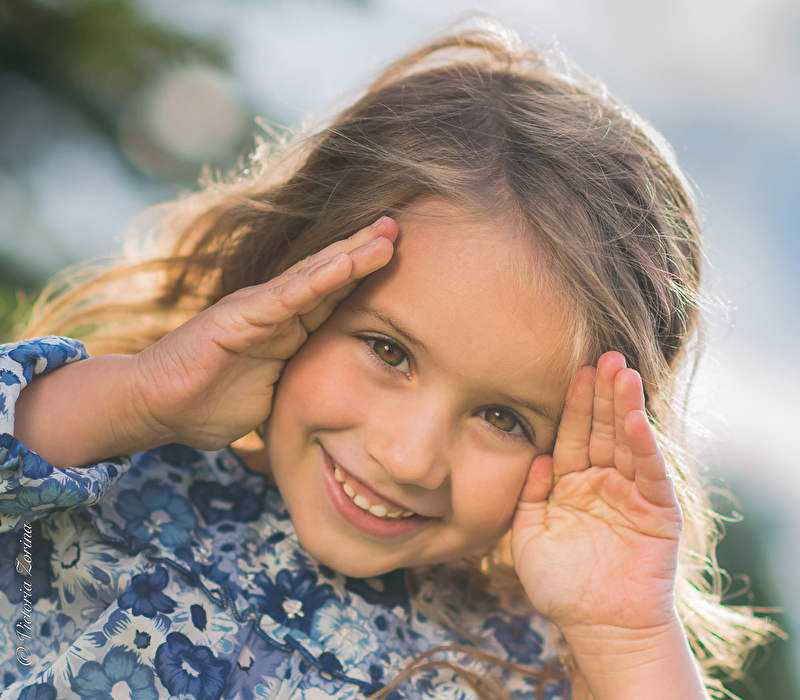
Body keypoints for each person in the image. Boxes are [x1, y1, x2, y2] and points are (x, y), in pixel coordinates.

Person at [0, 22, 779, 700]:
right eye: (389, 351)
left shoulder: (517, 670)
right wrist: (137, 398)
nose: (409, 457)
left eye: (502, 417)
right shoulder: (99, 470)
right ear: (289, 281)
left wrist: (627, 639)